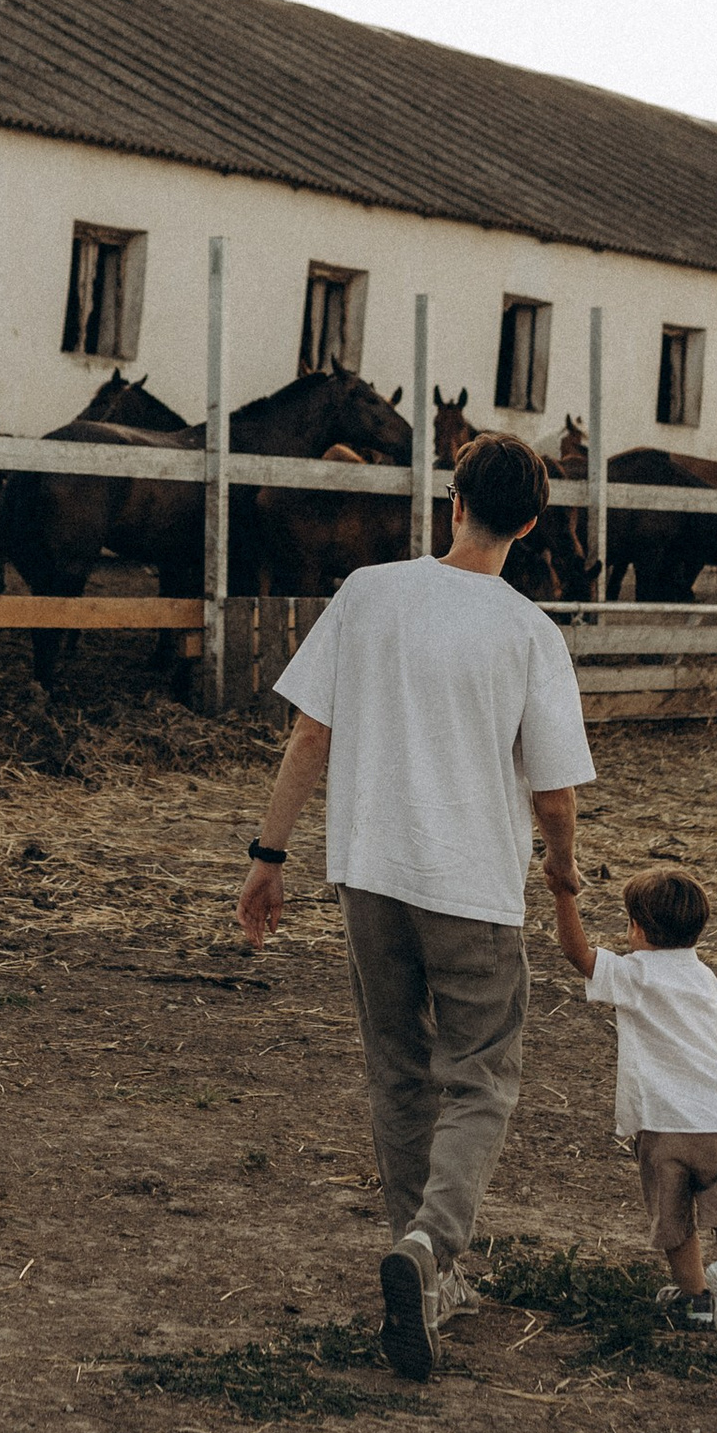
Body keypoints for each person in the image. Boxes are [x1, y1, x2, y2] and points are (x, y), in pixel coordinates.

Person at [236, 430, 594, 1381]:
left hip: (369, 872)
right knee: (481, 1077)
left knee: (397, 1070)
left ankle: (419, 1263)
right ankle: (432, 1247)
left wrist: (269, 855)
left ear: (452, 502)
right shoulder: (529, 633)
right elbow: (555, 795)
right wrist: (562, 876)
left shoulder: (369, 593)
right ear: (529, 521)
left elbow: (311, 736)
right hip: (471, 885)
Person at [549, 861, 717, 1337]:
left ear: (637, 929)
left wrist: (564, 895)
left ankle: (698, 1298)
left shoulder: (634, 974)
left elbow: (577, 953)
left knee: (675, 1219)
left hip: (666, 1122)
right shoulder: (709, 982)